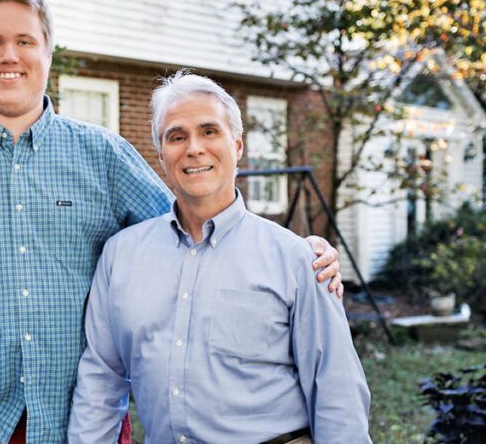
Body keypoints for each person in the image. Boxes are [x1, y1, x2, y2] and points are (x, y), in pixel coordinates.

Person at [0, 0, 345, 443]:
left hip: (88, 416)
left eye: (25, 41)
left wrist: (297, 253)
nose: (10, 55)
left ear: (48, 52)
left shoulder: (104, 155)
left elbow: (190, 230)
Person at [68, 71, 371, 443]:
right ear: (161, 155)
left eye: (209, 131)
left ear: (238, 145)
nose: (194, 148)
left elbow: (338, 393)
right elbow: (101, 379)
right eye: (176, 136)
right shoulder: (121, 257)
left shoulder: (297, 259)